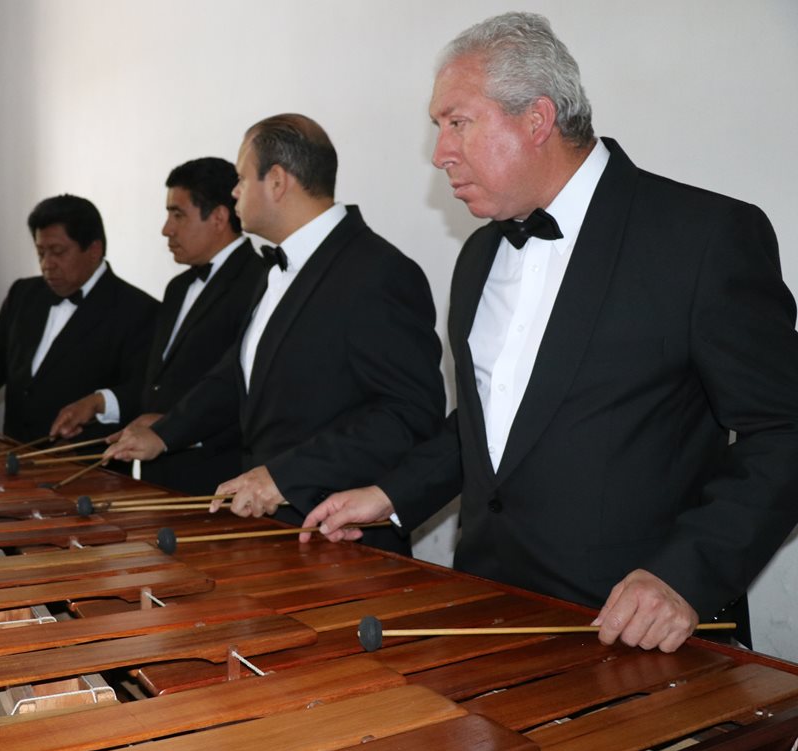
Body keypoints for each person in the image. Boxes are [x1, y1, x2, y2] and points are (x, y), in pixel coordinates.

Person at [304, 12, 798, 652]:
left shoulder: (703, 237)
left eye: (457, 122)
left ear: (537, 119)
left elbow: (783, 431)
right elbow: (493, 420)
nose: (440, 153)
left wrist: (685, 575)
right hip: (488, 610)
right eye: (438, 127)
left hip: (639, 636)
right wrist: (391, 493)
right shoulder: (478, 255)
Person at [107, 114, 444, 545]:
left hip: (339, 536)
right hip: (270, 530)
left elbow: (408, 415)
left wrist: (285, 476)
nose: (234, 191)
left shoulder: (379, 272)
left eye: (242, 178)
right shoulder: (274, 270)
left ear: (278, 182)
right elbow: (238, 375)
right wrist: (164, 433)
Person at [0, 195, 158, 443]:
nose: (46, 264)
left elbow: (140, 392)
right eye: (40, 252)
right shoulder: (24, 294)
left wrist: (97, 403)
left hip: (84, 460)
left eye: (58, 252)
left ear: (94, 250)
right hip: (14, 451)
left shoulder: (138, 310)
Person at [131, 157, 267, 495]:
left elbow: (247, 391)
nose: (166, 229)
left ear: (219, 217)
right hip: (158, 476)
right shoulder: (177, 288)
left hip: (217, 481)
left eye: (178, 215)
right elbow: (161, 382)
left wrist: (173, 429)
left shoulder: (261, 282)